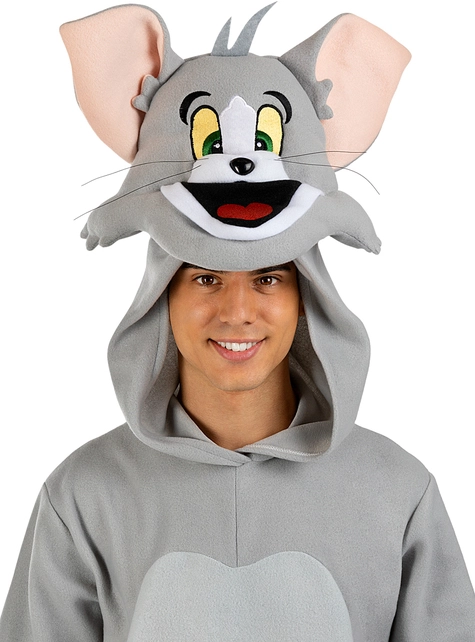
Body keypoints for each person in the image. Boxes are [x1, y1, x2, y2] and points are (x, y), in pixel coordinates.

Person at [1, 3, 475, 640]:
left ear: (307, 295)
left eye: (269, 277)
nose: (238, 312)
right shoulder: (84, 495)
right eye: (205, 277)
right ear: (160, 296)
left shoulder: (398, 492)